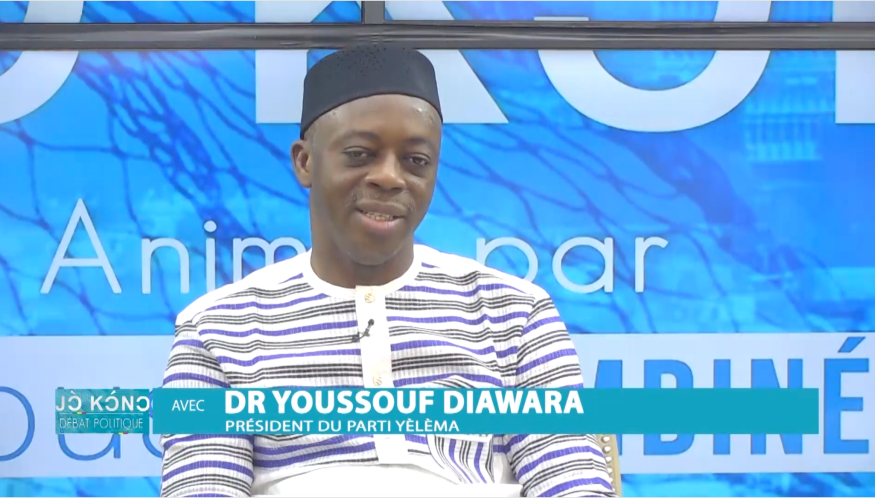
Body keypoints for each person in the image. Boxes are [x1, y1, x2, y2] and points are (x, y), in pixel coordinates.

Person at [160, 44, 616, 498]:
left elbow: (572, 484)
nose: (390, 178)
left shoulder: (515, 314)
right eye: (360, 154)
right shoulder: (216, 329)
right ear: (305, 161)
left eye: (416, 161)